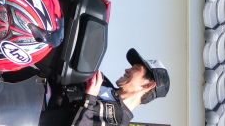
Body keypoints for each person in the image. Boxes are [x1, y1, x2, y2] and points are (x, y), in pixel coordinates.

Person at [40, 48, 170, 125]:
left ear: (148, 85)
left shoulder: (119, 121)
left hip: (33, 116)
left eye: (135, 68)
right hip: (35, 85)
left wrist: (89, 99)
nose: (127, 69)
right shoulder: (102, 81)